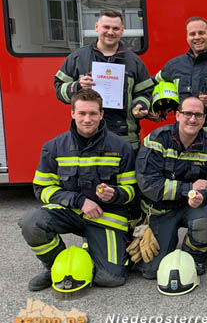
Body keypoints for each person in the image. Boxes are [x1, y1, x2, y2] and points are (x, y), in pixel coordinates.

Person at [19, 89, 137, 291]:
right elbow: (42, 188)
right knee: (31, 222)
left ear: (101, 114)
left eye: (92, 113)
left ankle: (93, 250)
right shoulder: (54, 147)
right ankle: (55, 266)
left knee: (111, 279)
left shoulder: (121, 147)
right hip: (70, 213)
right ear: (72, 113)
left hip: (105, 216)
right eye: (82, 113)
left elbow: (132, 190)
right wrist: (79, 201)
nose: (87, 119)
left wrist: (115, 194)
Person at [135, 96, 207, 278]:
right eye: (187, 114)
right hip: (160, 210)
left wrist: (204, 196)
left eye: (198, 115)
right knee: (152, 271)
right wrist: (190, 188)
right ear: (177, 115)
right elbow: (149, 185)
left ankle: (192, 258)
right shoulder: (157, 140)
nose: (193, 119)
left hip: (193, 207)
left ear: (204, 119)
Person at [54, 9, 154, 149]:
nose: (110, 32)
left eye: (115, 28)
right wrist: (77, 87)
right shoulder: (78, 58)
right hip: (87, 137)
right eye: (106, 27)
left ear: (122, 30)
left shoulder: (134, 62)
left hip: (125, 138)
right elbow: (59, 88)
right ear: (97, 27)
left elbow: (145, 93)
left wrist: (139, 106)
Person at [152, 16, 207, 159]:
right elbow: (153, 84)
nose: (197, 37)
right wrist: (156, 108)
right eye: (192, 34)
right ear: (187, 37)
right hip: (183, 136)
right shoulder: (175, 65)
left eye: (201, 33)